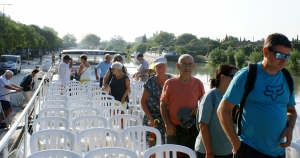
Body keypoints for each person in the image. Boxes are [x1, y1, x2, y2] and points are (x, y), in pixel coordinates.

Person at [217, 33, 297, 158]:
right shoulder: (246, 75)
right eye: (280, 55)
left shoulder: (287, 78)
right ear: (266, 52)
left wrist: (290, 127)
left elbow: (291, 111)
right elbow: (223, 110)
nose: (284, 60)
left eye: (287, 56)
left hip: (279, 152)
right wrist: (237, 145)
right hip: (250, 150)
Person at [160, 54, 205, 150]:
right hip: (173, 128)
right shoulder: (169, 83)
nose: (187, 67)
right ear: (178, 66)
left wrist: (198, 109)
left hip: (191, 127)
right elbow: (163, 104)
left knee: (190, 154)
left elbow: (203, 104)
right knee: (171, 154)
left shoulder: (198, 83)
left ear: (193, 66)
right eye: (184, 64)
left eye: (190, 64)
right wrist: (167, 124)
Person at [195, 64, 238, 158]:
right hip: (208, 152)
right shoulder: (210, 97)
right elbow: (203, 126)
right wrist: (209, 152)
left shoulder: (236, 98)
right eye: (234, 76)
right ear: (222, 77)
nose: (238, 79)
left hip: (228, 151)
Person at [141, 57, 172, 146]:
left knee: (166, 147)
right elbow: (143, 102)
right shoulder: (149, 81)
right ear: (154, 68)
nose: (160, 69)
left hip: (167, 120)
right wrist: (150, 118)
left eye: (162, 66)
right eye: (158, 67)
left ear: (166, 67)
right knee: (152, 147)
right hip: (152, 119)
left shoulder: (172, 81)